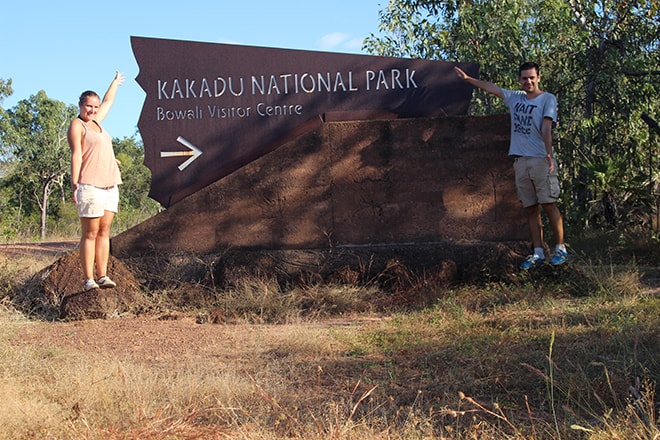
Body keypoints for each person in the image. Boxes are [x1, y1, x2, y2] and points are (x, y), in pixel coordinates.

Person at [454, 62, 568, 269]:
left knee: (549, 203)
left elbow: (546, 126)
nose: (528, 81)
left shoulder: (547, 99)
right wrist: (468, 79)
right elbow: (492, 88)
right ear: (520, 80)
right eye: (524, 78)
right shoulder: (515, 97)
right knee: (530, 208)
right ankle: (538, 252)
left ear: (539, 78)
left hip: (541, 159)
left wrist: (549, 155)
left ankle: (560, 248)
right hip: (521, 161)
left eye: (532, 77)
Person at [68, 71, 124, 291]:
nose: (91, 110)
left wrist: (115, 83)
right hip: (89, 185)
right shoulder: (78, 125)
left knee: (104, 231)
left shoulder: (98, 123)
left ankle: (103, 276)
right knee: (90, 233)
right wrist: (75, 184)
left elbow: (109, 101)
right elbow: (76, 154)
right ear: (81, 105)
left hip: (110, 185)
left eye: (95, 106)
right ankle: (89, 279)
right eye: (88, 106)